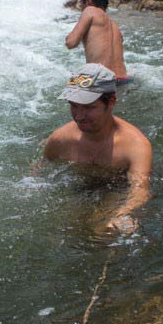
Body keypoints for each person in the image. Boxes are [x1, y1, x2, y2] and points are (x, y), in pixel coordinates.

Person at [43, 63, 152, 233]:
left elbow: (140, 190)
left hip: (117, 187)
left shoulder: (135, 146)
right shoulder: (61, 139)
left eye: (88, 107)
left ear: (111, 102)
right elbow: (39, 170)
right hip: (79, 185)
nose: (78, 116)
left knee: (102, 231)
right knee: (60, 230)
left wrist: (123, 213)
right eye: (73, 105)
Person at [65, 0, 132, 84]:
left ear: (88, 2)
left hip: (101, 80)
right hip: (124, 80)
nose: (81, 9)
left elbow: (71, 43)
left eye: (81, 5)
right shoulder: (115, 26)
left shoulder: (90, 10)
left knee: (69, 82)